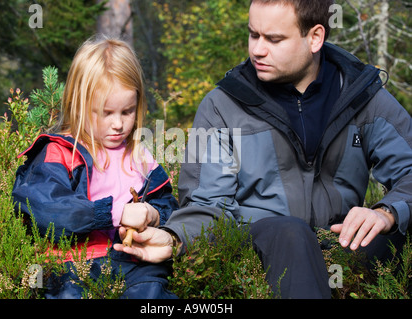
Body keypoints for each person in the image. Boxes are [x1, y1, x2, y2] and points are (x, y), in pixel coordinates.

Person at [114, 0, 412, 299]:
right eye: (253, 34)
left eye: (274, 39)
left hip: (344, 245)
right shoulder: (223, 106)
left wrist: (386, 213)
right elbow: (208, 206)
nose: (257, 49)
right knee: (290, 232)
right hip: (261, 247)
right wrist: (172, 237)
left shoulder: (362, 96)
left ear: (315, 37)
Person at [12, 36, 178, 299]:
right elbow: (45, 209)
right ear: (79, 106)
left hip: (130, 264)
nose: (118, 124)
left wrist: (153, 214)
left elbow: (167, 203)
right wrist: (114, 213)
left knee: (152, 292)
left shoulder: (137, 154)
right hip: (70, 265)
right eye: (105, 112)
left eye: (128, 111)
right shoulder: (59, 153)